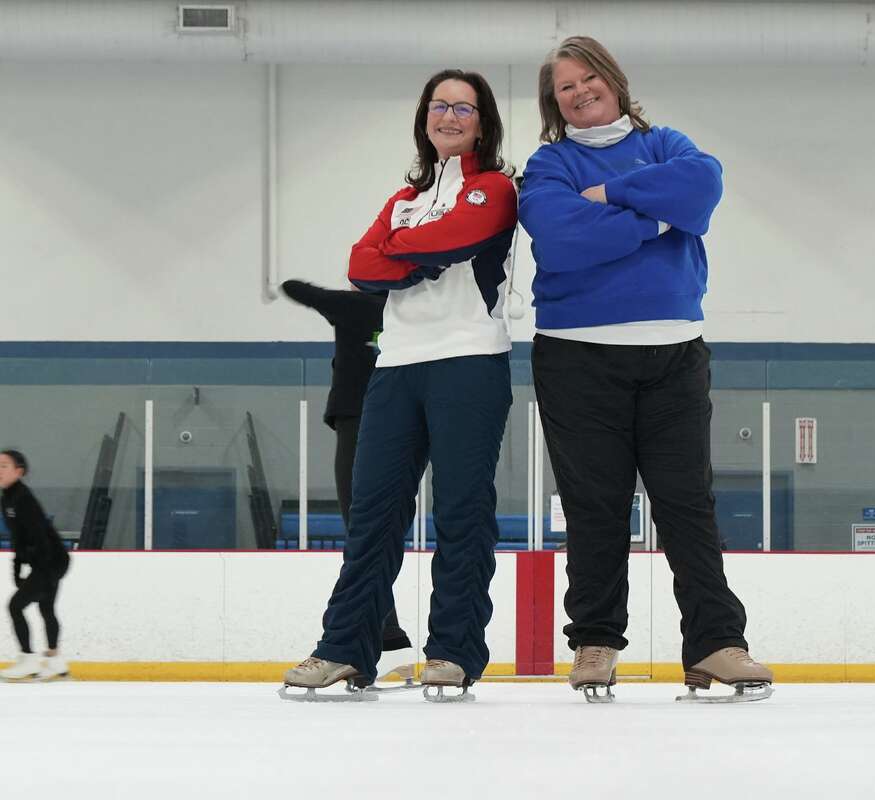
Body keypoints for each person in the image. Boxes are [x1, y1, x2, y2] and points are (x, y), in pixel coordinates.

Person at [517, 36, 772, 702]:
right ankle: (595, 642)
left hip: (674, 353)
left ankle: (716, 643)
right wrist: (659, 221)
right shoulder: (549, 166)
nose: (579, 92)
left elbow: (703, 185)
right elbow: (565, 240)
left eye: (588, 78)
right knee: (594, 506)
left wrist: (613, 196)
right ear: (555, 103)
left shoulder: (669, 146)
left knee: (688, 504)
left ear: (614, 80)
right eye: (565, 87)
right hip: (576, 355)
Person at [282, 68, 516, 702]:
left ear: (482, 121)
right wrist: (415, 252)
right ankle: (346, 649)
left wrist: (400, 253)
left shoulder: (496, 187)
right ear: (424, 117)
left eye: (463, 108)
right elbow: (361, 265)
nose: (449, 116)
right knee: (373, 515)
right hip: (395, 367)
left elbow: (459, 236)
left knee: (462, 511)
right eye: (439, 106)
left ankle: (453, 651)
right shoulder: (404, 196)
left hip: (469, 360)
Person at [279, 279, 414, 685]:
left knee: (363, 530)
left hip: (359, 419)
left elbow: (293, 287)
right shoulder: (407, 309)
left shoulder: (353, 307)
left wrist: (344, 295)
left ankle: (387, 643)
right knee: (371, 531)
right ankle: (389, 638)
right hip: (400, 418)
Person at [1, 450, 70, 682]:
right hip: (46, 560)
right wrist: (17, 569)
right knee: (46, 608)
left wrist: (45, 576)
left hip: (51, 560)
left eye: (3, 466)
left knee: (15, 605)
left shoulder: (23, 498)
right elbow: (18, 538)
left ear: (19, 471)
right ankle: (55, 661)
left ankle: (28, 660)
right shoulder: (7, 498)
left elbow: (40, 537)